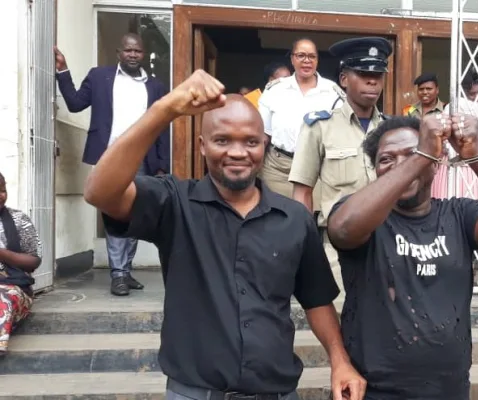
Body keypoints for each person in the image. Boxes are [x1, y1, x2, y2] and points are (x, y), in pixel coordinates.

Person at [82, 70, 366, 400]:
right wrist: (166, 108)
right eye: (222, 140)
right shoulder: (174, 204)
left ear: (265, 144)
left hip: (276, 393)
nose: (237, 152)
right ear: (202, 146)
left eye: (250, 141)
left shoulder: (293, 219)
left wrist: (339, 360)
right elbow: (99, 192)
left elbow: (317, 299)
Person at [326, 114, 478, 399]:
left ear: (436, 165)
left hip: (448, 390)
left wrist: (477, 156)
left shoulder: (459, 214)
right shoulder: (363, 216)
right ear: (375, 170)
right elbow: (344, 229)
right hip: (372, 391)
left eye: (412, 154)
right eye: (387, 159)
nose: (401, 165)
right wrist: (420, 155)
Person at [54, 33, 170, 296]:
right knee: (113, 213)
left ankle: (125, 271)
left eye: (137, 51)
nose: (132, 55)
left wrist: (162, 163)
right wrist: (63, 71)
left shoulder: (154, 86)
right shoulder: (99, 77)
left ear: (144, 55)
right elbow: (74, 104)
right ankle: (118, 273)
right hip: (109, 157)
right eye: (128, 50)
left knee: (135, 213)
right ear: (119, 52)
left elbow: (161, 128)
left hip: (142, 158)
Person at [288, 37, 392, 293]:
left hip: (389, 245)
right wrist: (306, 248)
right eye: (364, 73)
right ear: (344, 79)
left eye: (378, 75)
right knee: (343, 321)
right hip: (339, 251)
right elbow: (302, 192)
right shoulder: (320, 127)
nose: (372, 81)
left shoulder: (392, 130)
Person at [258, 38, 342, 199]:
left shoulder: (332, 92)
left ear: (317, 60)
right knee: (275, 218)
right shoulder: (275, 90)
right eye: (301, 55)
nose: (306, 61)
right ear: (292, 59)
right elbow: (263, 136)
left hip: (317, 169)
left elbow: (339, 136)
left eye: (312, 56)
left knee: (310, 220)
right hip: (278, 169)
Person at [0, 172, 42, 356]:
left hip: (13, 286)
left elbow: (33, 261)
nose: (1, 195)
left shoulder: (19, 220)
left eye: (2, 190)